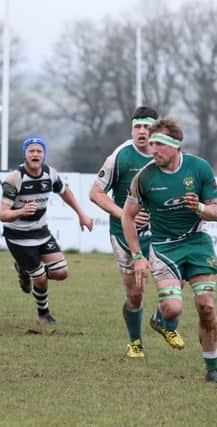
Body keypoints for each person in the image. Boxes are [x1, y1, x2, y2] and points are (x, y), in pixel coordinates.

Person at [122, 117, 217, 382]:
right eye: (151, 144)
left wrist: (199, 208)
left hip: (197, 242)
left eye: (159, 144)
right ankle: (161, 318)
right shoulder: (144, 178)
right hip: (164, 248)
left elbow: (215, 210)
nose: (153, 150)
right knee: (173, 309)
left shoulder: (199, 169)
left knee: (207, 306)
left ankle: (212, 367)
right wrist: (138, 256)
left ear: (175, 145)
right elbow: (127, 217)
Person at [89, 106, 168, 358]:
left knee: (172, 286)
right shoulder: (120, 157)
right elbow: (96, 193)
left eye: (147, 127)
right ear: (131, 129)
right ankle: (135, 342)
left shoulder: (167, 154)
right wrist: (123, 213)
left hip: (160, 234)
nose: (142, 131)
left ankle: (161, 317)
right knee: (135, 294)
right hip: (124, 235)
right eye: (137, 127)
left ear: (156, 130)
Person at [0, 136, 94, 325]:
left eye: (39, 151)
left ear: (44, 154)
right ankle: (43, 314)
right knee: (41, 278)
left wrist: (81, 213)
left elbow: (65, 191)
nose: (35, 154)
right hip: (18, 237)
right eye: (31, 151)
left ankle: (25, 270)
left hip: (41, 232)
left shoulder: (50, 173)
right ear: (25, 154)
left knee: (61, 273)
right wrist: (21, 211)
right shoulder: (14, 178)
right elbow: (3, 215)